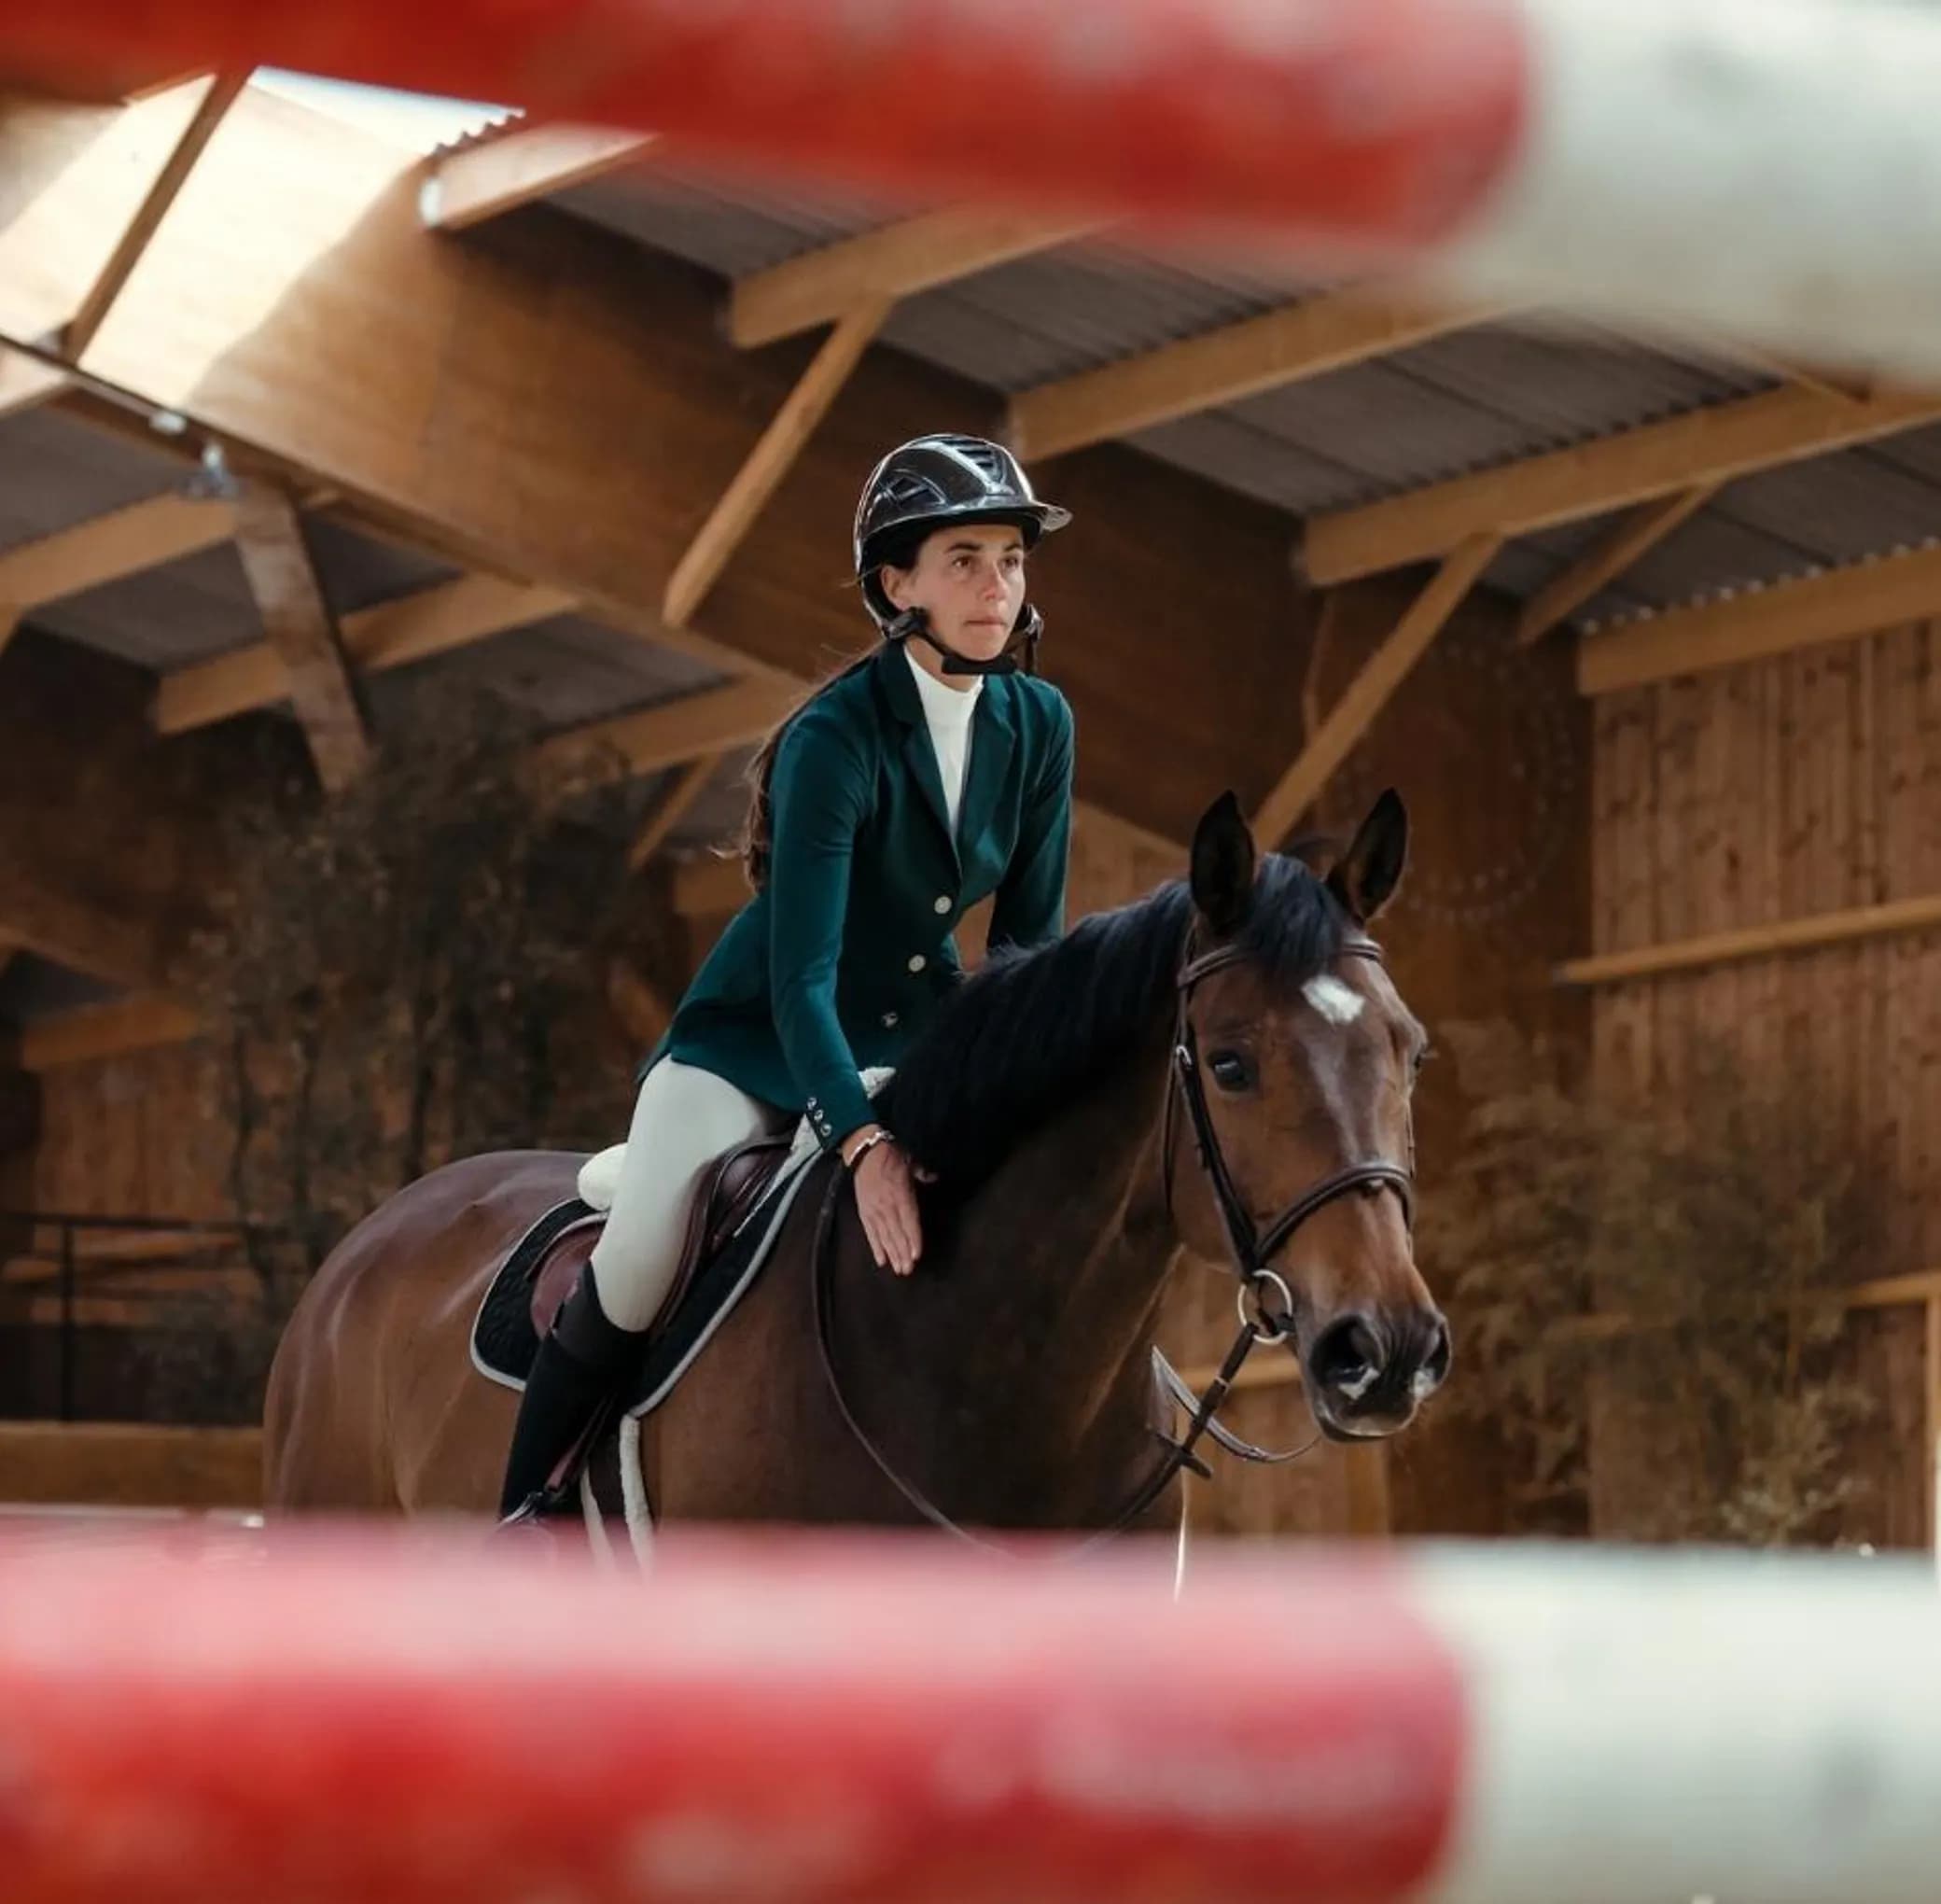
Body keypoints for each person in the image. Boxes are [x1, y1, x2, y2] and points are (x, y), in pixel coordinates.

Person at [499, 433, 1078, 1521]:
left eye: (1010, 559)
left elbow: (1027, 953)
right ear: (894, 584)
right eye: (963, 560)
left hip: (918, 1032)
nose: (995, 585)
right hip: (756, 1036)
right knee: (637, 1262)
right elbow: (801, 977)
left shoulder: (1039, 724)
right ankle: (531, 1513)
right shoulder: (835, 735)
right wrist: (862, 1145)